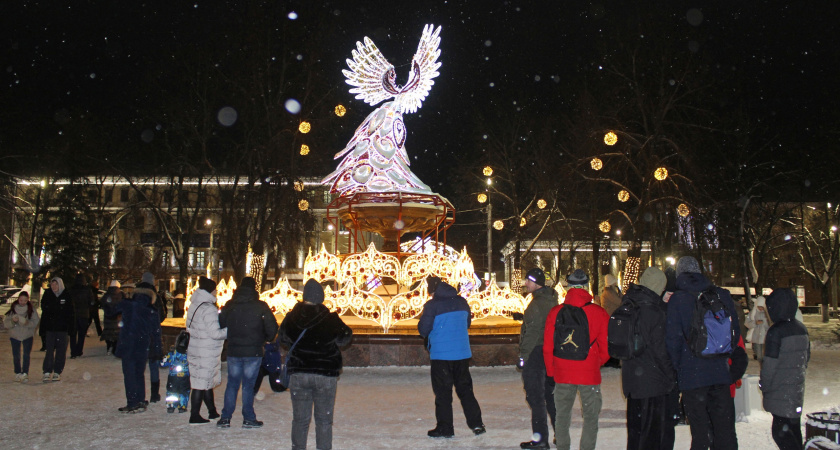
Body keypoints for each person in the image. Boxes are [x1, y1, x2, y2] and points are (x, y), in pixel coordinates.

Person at [665, 256, 740, 450]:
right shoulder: (721, 295)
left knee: (700, 433)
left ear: (680, 274)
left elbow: (672, 341)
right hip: (720, 373)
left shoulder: (678, 300)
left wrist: (679, 368)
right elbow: (735, 333)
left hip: (692, 376)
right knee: (724, 429)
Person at [279, 279, 354, 450]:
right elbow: (345, 337)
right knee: (324, 420)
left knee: (300, 419)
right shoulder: (330, 318)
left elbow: (282, 338)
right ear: (321, 297)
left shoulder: (292, 317)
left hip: (299, 374)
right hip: (325, 374)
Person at [543, 269, 609, 450]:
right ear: (586, 286)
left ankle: (563, 447)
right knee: (590, 417)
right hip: (589, 373)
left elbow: (548, 347)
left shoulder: (555, 312)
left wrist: (551, 371)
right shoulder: (599, 312)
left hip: (562, 373)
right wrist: (596, 363)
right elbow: (606, 347)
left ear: (568, 286)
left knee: (562, 416)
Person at [418, 276, 486, 439]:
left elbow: (423, 330)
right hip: (461, 354)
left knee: (443, 393)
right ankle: (477, 424)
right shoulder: (462, 302)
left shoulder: (432, 305)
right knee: (466, 391)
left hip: (441, 355)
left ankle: (445, 427)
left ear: (432, 290)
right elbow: (467, 323)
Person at [619, 267, 677, 450]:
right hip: (652, 382)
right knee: (651, 435)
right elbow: (660, 351)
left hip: (632, 381)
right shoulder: (653, 311)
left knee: (635, 432)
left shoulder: (627, 304)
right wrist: (671, 376)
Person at [217, 276, 278, 429]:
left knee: (232, 384)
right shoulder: (260, 306)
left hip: (234, 350)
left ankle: (225, 417)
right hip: (253, 351)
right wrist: (265, 338)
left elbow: (221, 322)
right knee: (248, 386)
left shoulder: (230, 305)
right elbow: (272, 327)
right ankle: (248, 418)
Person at [761, 288, 810, 450]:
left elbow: (769, 366)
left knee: (781, 433)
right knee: (793, 431)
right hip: (795, 390)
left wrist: (765, 387)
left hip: (779, 392)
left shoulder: (775, 332)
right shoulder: (801, 329)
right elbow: (806, 359)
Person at [104, 271, 160, 413]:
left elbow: (110, 312)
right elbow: (156, 332)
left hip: (129, 342)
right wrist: (158, 349)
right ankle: (140, 400)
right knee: (139, 372)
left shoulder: (128, 304)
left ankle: (132, 402)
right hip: (143, 344)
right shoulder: (152, 309)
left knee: (129, 373)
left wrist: (113, 299)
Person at [518, 268, 558, 449]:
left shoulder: (536, 305)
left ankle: (540, 439)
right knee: (550, 396)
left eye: (528, 281)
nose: (526, 283)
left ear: (536, 283)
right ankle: (560, 433)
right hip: (549, 353)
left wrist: (523, 356)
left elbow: (532, 333)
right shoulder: (551, 301)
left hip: (535, 354)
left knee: (536, 397)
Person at [187, 276, 227, 424]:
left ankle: (212, 411)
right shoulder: (208, 308)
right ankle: (194, 415)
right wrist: (228, 330)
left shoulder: (195, 304)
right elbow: (215, 333)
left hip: (196, 347)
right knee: (200, 384)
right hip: (206, 350)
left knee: (205, 381)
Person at [40, 277, 74, 382]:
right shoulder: (48, 295)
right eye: (52, 284)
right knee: (49, 350)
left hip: (62, 329)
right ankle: (47, 370)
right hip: (50, 328)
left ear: (60, 285)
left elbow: (71, 313)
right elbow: (44, 310)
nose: (54, 286)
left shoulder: (66, 295)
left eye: (56, 284)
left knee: (61, 350)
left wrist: (71, 328)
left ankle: (57, 371)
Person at [5, 291, 40, 382]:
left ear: (27, 300)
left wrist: (26, 323)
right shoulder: (13, 309)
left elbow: (35, 322)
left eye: (25, 300)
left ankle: (25, 373)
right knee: (16, 355)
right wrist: (13, 322)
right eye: (21, 300)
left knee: (26, 355)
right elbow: (6, 323)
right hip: (15, 335)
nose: (22, 302)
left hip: (27, 335)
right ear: (18, 299)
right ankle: (17, 372)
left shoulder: (31, 309)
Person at [68, 274, 93, 358]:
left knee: (73, 334)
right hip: (84, 314)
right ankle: (79, 350)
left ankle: (73, 352)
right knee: (81, 334)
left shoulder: (72, 289)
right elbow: (91, 301)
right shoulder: (87, 290)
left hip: (73, 314)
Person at [161, 343, 190, 413]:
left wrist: (164, 360)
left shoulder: (172, 354)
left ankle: (172, 405)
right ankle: (182, 406)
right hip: (183, 377)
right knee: (183, 391)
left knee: (172, 391)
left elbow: (163, 363)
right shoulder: (189, 355)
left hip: (174, 377)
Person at [100, 281, 123, 356]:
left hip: (108, 317)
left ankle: (109, 346)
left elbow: (102, 303)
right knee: (117, 333)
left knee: (108, 332)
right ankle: (115, 348)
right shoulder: (121, 295)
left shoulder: (106, 295)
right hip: (118, 317)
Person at [745, 296, 770, 363]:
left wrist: (764, 324)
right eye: (759, 307)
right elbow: (747, 323)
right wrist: (755, 323)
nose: (761, 309)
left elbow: (770, 325)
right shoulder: (752, 313)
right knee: (759, 356)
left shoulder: (767, 314)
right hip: (756, 338)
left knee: (765, 355)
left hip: (765, 337)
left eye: (762, 307)